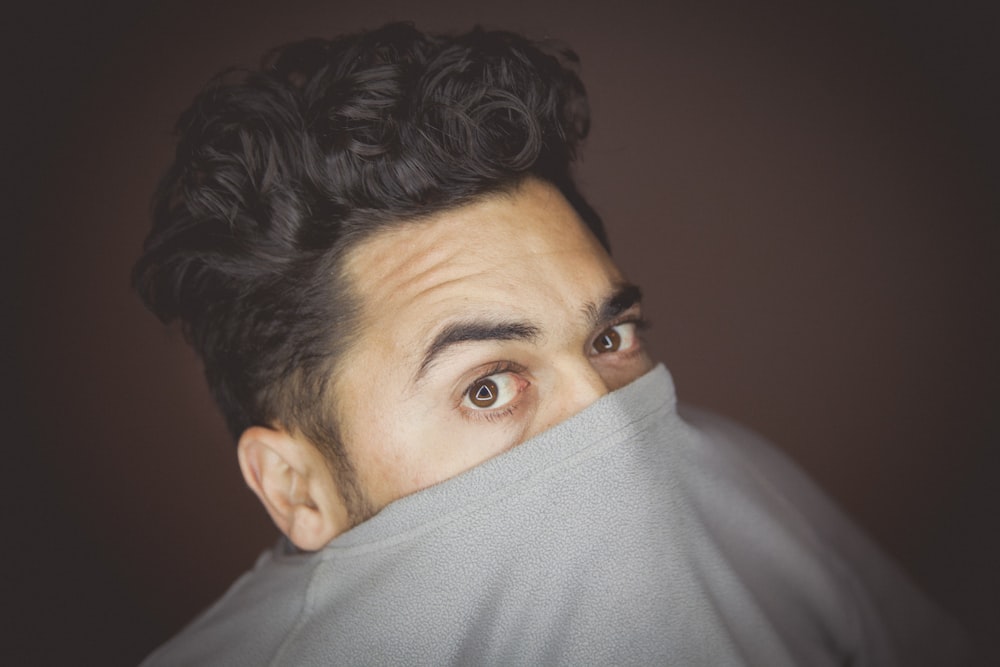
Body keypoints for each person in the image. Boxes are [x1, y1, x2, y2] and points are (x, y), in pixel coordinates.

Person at [133, 22, 968, 666]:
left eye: (610, 337)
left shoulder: (743, 485)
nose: (607, 422)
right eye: (487, 386)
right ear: (296, 487)